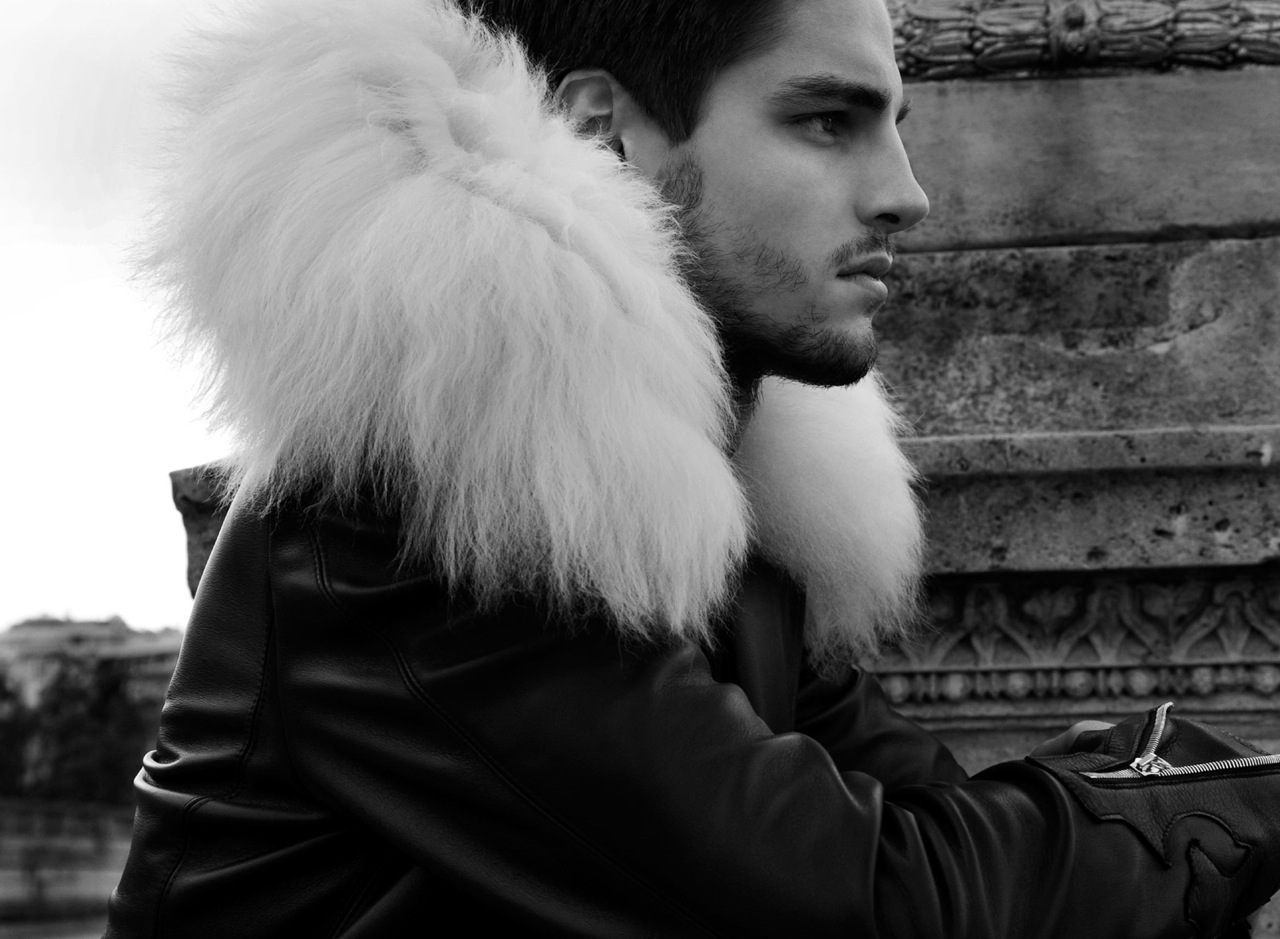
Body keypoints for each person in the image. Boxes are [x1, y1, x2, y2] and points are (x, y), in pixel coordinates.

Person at [107, 0, 1280, 935]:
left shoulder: (709, 492)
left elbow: (923, 825)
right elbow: (880, 906)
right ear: (597, 134)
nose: (905, 195)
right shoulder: (420, 512)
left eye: (897, 124)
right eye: (825, 122)